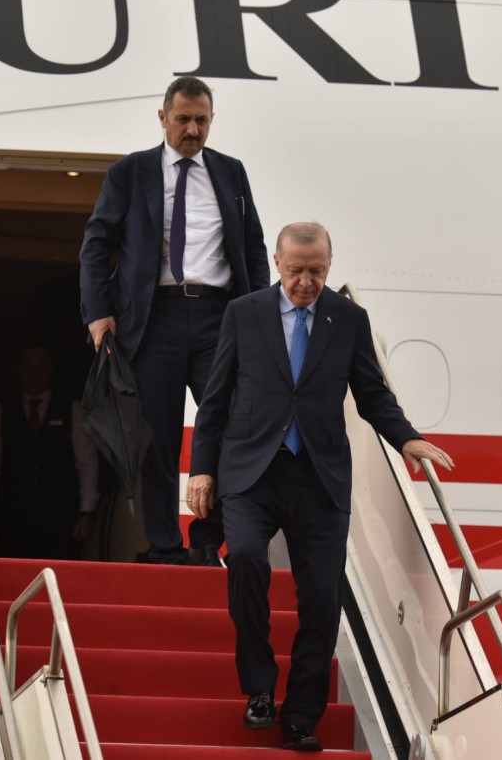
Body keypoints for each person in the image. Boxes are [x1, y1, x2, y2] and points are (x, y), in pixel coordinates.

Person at [186, 222, 454, 752]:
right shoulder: (244, 313)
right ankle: (260, 688)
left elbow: (372, 394)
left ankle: (301, 716)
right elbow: (214, 399)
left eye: (317, 271)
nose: (306, 282)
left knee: (322, 595)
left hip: (318, 476)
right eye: (296, 271)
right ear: (277, 263)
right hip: (252, 471)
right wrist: (202, 469)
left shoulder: (348, 319)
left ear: (329, 265)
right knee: (245, 557)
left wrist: (408, 438)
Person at [79, 76, 270, 565]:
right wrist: (98, 313)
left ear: (212, 120)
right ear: (162, 117)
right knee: (156, 439)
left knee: (231, 427)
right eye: (183, 119)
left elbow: (252, 246)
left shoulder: (231, 172)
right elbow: (96, 246)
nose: (192, 129)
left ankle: (207, 541)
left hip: (219, 318)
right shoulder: (130, 172)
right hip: (153, 319)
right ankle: (166, 545)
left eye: (201, 120)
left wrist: (260, 315)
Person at [0, 345, 99, 560]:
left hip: (62, 523)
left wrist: (86, 512)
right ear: (19, 370)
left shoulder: (74, 411)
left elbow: (87, 465)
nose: (35, 371)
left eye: (41, 365)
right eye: (28, 366)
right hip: (12, 522)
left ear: (51, 369)